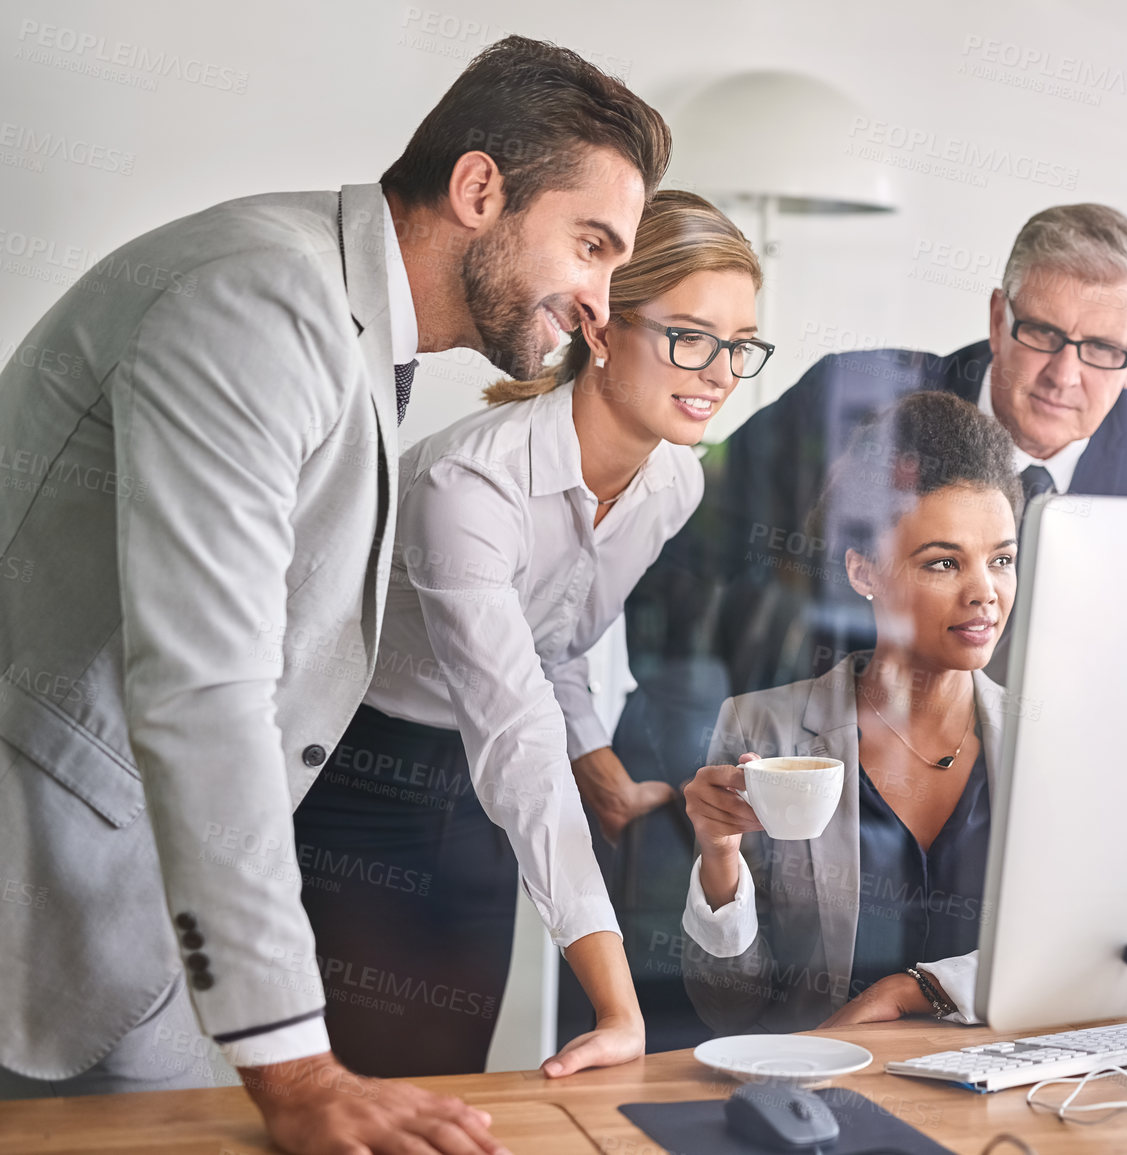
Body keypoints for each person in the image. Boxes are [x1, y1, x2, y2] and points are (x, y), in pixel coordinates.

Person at [0, 34, 668, 1155]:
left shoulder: (344, 313)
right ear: (477, 189)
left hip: (146, 914)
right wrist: (302, 1070)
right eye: (591, 245)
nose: (602, 304)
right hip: (35, 898)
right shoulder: (260, 300)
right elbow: (203, 690)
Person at [610, 204, 1127, 1040]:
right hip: (786, 797)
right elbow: (674, 566)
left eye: (1103, 350)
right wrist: (695, 772)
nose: (1063, 375)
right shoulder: (852, 400)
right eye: (1041, 334)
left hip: (997, 835)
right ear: (997, 316)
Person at [293, 189, 770, 1077]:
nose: (719, 373)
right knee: (360, 1094)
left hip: (474, 804)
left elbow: (551, 644)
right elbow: (514, 734)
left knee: (451, 1072)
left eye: (740, 346)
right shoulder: (468, 488)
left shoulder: (673, 484)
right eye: (692, 337)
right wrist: (621, 1010)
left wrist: (603, 768)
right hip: (362, 783)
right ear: (600, 328)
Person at [680, 391, 1020, 1032]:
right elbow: (727, 1006)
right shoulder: (763, 730)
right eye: (944, 562)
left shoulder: (1045, 743)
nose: (985, 593)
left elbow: (1070, 957)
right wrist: (719, 859)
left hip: (1003, 1096)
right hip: (827, 1091)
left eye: (1001, 559)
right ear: (863, 569)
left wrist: (912, 990)